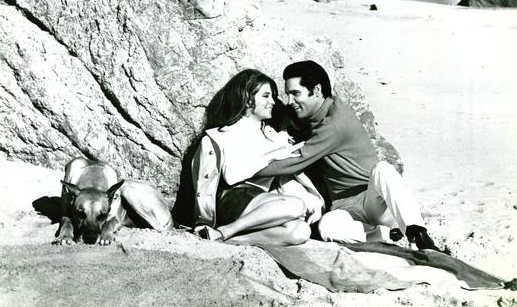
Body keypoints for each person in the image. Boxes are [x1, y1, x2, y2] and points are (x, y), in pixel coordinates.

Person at [255, 60, 445, 252]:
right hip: (345, 208)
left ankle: (418, 233)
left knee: (383, 169)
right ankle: (387, 236)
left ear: (317, 90)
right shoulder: (326, 107)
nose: (289, 101)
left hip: (374, 200)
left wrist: (249, 171)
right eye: (288, 94)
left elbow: (292, 162)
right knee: (327, 227)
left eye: (295, 94)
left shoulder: (334, 125)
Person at [191, 69, 325, 246]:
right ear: (247, 99)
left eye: (272, 96)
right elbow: (231, 175)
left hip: (261, 204)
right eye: (266, 96)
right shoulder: (223, 134)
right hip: (231, 199)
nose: (273, 102)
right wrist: (273, 155)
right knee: (296, 205)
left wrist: (311, 201)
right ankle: (226, 231)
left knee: (300, 231)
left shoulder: (272, 136)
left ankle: (229, 239)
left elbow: (283, 178)